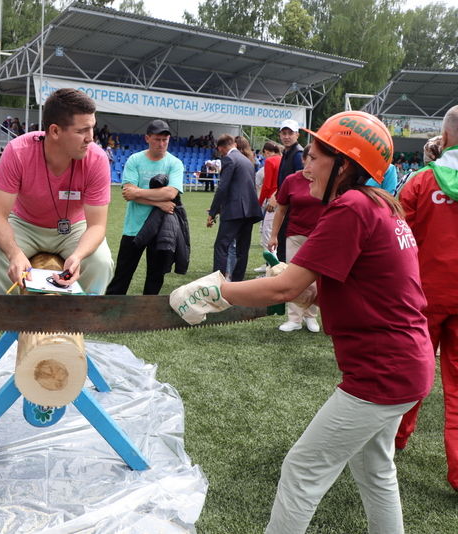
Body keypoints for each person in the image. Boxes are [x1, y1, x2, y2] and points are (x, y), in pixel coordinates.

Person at [170, 110, 433, 533]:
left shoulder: (350, 207)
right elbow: (336, 288)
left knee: (301, 472)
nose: (305, 166)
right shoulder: (380, 204)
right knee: (375, 470)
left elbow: (285, 290)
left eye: (313, 158)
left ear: (343, 164)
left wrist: (215, 291)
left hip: (381, 371)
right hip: (405, 364)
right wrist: (296, 285)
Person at [0, 88, 114, 294]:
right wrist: (14, 253)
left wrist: (78, 256)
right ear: (55, 131)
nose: (90, 138)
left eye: (91, 128)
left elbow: (97, 226)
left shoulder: (97, 159)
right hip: (25, 224)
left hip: (74, 227)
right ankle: (12, 321)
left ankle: (82, 320)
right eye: (81, 131)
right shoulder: (17, 152)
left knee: (101, 263)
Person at [394, 107, 458, 492]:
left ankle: (394, 439)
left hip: (424, 295)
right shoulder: (420, 180)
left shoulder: (419, 181)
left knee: (411, 371)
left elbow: (396, 241)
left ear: (445, 137)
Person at [106, 119, 187, 295]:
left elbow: (171, 194)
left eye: (165, 139)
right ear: (147, 138)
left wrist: (138, 193)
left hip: (161, 230)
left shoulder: (175, 163)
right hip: (134, 228)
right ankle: (109, 314)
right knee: (122, 276)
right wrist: (158, 202)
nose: (161, 143)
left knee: (155, 279)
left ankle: (147, 316)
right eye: (157, 139)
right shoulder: (135, 159)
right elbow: (128, 193)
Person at [267, 144, 325, 333]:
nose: (312, 162)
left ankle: (311, 317)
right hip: (294, 235)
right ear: (303, 159)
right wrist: (274, 235)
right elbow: (281, 209)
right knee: (292, 277)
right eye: (311, 158)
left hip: (319, 237)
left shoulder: (325, 180)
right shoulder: (291, 180)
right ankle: (294, 318)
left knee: (316, 278)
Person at [206, 134, 262, 282]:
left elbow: (222, 188)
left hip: (234, 211)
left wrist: (213, 212)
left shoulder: (229, 159)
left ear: (221, 148)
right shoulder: (247, 160)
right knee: (242, 250)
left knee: (221, 246)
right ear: (234, 144)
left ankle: (218, 283)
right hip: (249, 210)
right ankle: (237, 283)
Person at [271, 119, 304, 261]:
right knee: (282, 248)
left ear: (297, 134)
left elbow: (300, 184)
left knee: (287, 250)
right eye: (284, 133)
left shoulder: (298, 155)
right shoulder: (287, 153)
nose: (286, 136)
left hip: (292, 210)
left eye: (290, 133)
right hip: (285, 207)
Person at [255, 141, 282, 272]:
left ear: (266, 151)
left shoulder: (270, 161)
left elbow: (267, 186)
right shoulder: (282, 159)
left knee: (267, 235)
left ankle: (271, 269)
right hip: (283, 200)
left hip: (272, 201)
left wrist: (259, 203)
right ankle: (271, 267)